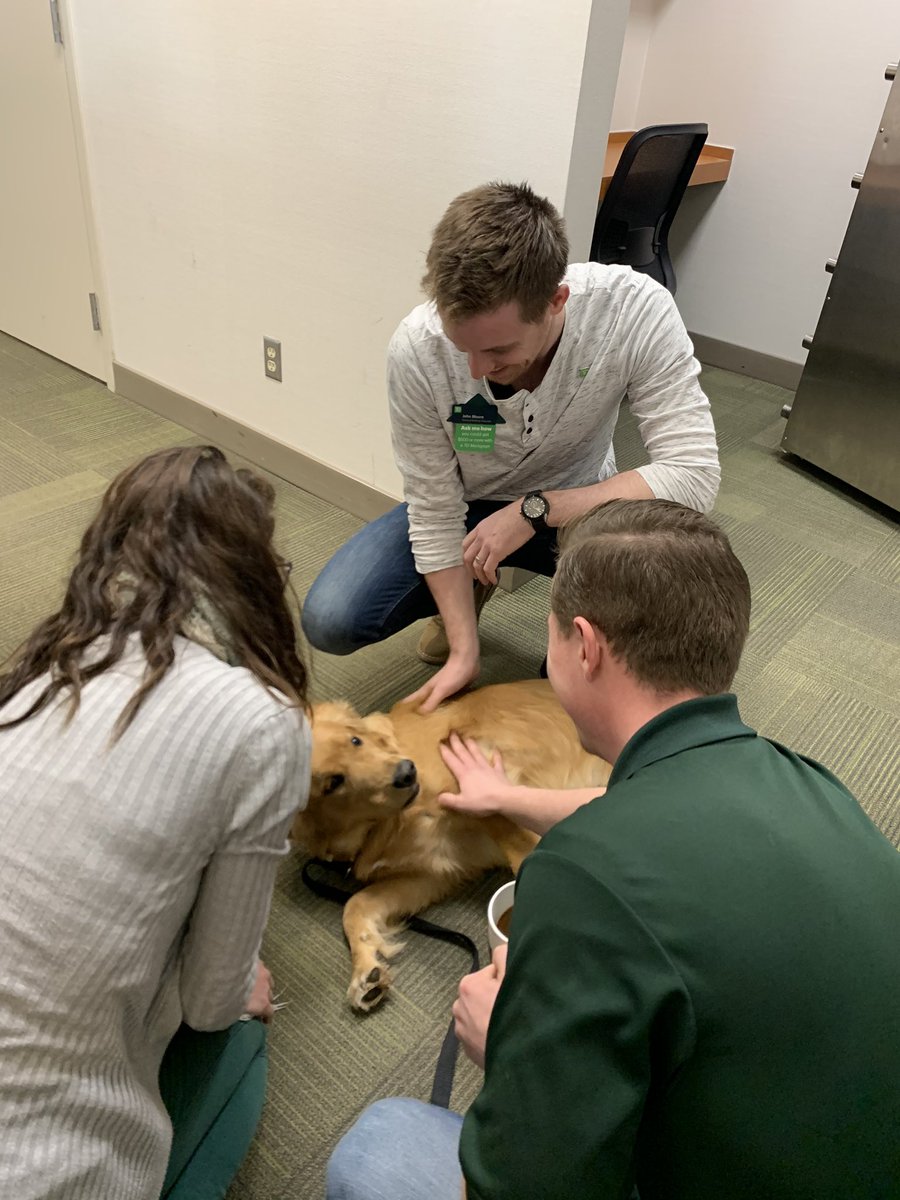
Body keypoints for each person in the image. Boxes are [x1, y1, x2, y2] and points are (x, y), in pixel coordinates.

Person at [326, 499, 900, 1200]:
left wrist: (504, 1041)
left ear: (586, 647)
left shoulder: (581, 877)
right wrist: (512, 800)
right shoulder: (814, 784)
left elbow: (521, 1185)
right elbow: (638, 807)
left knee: (375, 1149)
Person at [0, 445, 311, 1199]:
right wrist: (233, 978)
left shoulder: (41, 672)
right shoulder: (262, 722)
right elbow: (212, 1003)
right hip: (48, 1166)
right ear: (255, 574)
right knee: (244, 1024)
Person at [301, 182, 720, 713]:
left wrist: (534, 510)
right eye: (463, 348)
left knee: (573, 687)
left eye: (498, 349)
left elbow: (695, 474)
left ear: (556, 301)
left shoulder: (632, 311)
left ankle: (538, 601)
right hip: (468, 504)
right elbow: (433, 507)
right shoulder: (416, 349)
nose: (477, 371)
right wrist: (463, 651)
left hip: (581, 504)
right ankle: (464, 598)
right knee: (332, 618)